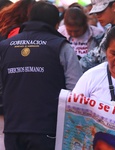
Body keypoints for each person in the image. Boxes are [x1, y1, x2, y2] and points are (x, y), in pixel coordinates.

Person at [0, 1, 83, 150]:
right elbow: (75, 91)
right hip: (48, 130)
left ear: (28, 19)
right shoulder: (61, 47)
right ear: (57, 24)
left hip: (12, 129)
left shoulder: (5, 46)